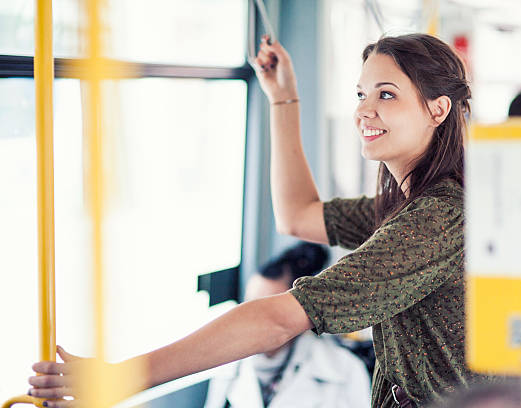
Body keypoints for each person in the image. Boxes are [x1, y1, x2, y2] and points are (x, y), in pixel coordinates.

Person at [29, 33, 484, 408]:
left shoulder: (439, 219)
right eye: (361, 94)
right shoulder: (403, 209)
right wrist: (283, 98)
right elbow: (299, 215)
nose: (365, 109)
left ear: (437, 109)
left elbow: (281, 317)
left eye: (387, 95)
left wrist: (122, 377)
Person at [204, 242, 371, 408]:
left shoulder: (345, 370)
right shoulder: (228, 368)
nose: (253, 321)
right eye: (249, 307)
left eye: (268, 312)